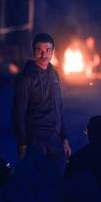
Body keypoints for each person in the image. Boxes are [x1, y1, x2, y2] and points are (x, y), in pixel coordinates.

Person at [12, 33, 71, 175]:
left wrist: (64, 138)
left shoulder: (54, 75)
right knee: (37, 184)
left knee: (58, 181)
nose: (44, 54)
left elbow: (58, 108)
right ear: (33, 51)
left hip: (55, 140)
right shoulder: (25, 78)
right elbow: (18, 114)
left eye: (48, 50)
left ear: (53, 52)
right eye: (39, 50)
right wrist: (22, 144)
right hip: (36, 141)